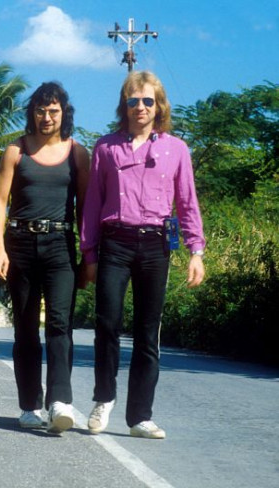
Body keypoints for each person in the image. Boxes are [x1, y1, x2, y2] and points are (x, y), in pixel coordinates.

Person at [80, 71, 206, 439]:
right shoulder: (106, 147)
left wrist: (195, 251)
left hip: (155, 244)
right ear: (124, 105)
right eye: (133, 101)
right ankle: (104, 398)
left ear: (159, 106)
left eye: (148, 101)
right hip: (115, 242)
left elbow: (186, 201)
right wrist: (89, 251)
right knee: (107, 322)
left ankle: (140, 417)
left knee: (148, 331)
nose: (141, 107)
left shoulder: (176, 149)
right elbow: (93, 203)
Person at [0, 82, 90, 434]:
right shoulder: (15, 151)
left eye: (53, 111)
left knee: (60, 325)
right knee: (26, 328)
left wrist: (89, 256)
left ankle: (60, 401)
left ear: (64, 113)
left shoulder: (78, 153)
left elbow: (85, 208)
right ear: (32, 113)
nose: (47, 117)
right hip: (20, 244)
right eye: (40, 111)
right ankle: (30, 405)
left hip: (61, 245)